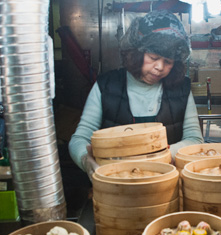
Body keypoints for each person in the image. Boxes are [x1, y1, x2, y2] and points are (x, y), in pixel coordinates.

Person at [68, 10, 203, 177]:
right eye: (153, 57)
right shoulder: (106, 86)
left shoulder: (181, 88)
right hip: (116, 185)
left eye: (167, 62)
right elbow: (80, 138)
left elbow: (195, 139)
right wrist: (85, 160)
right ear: (136, 53)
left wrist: (157, 158)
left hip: (166, 185)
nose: (160, 67)